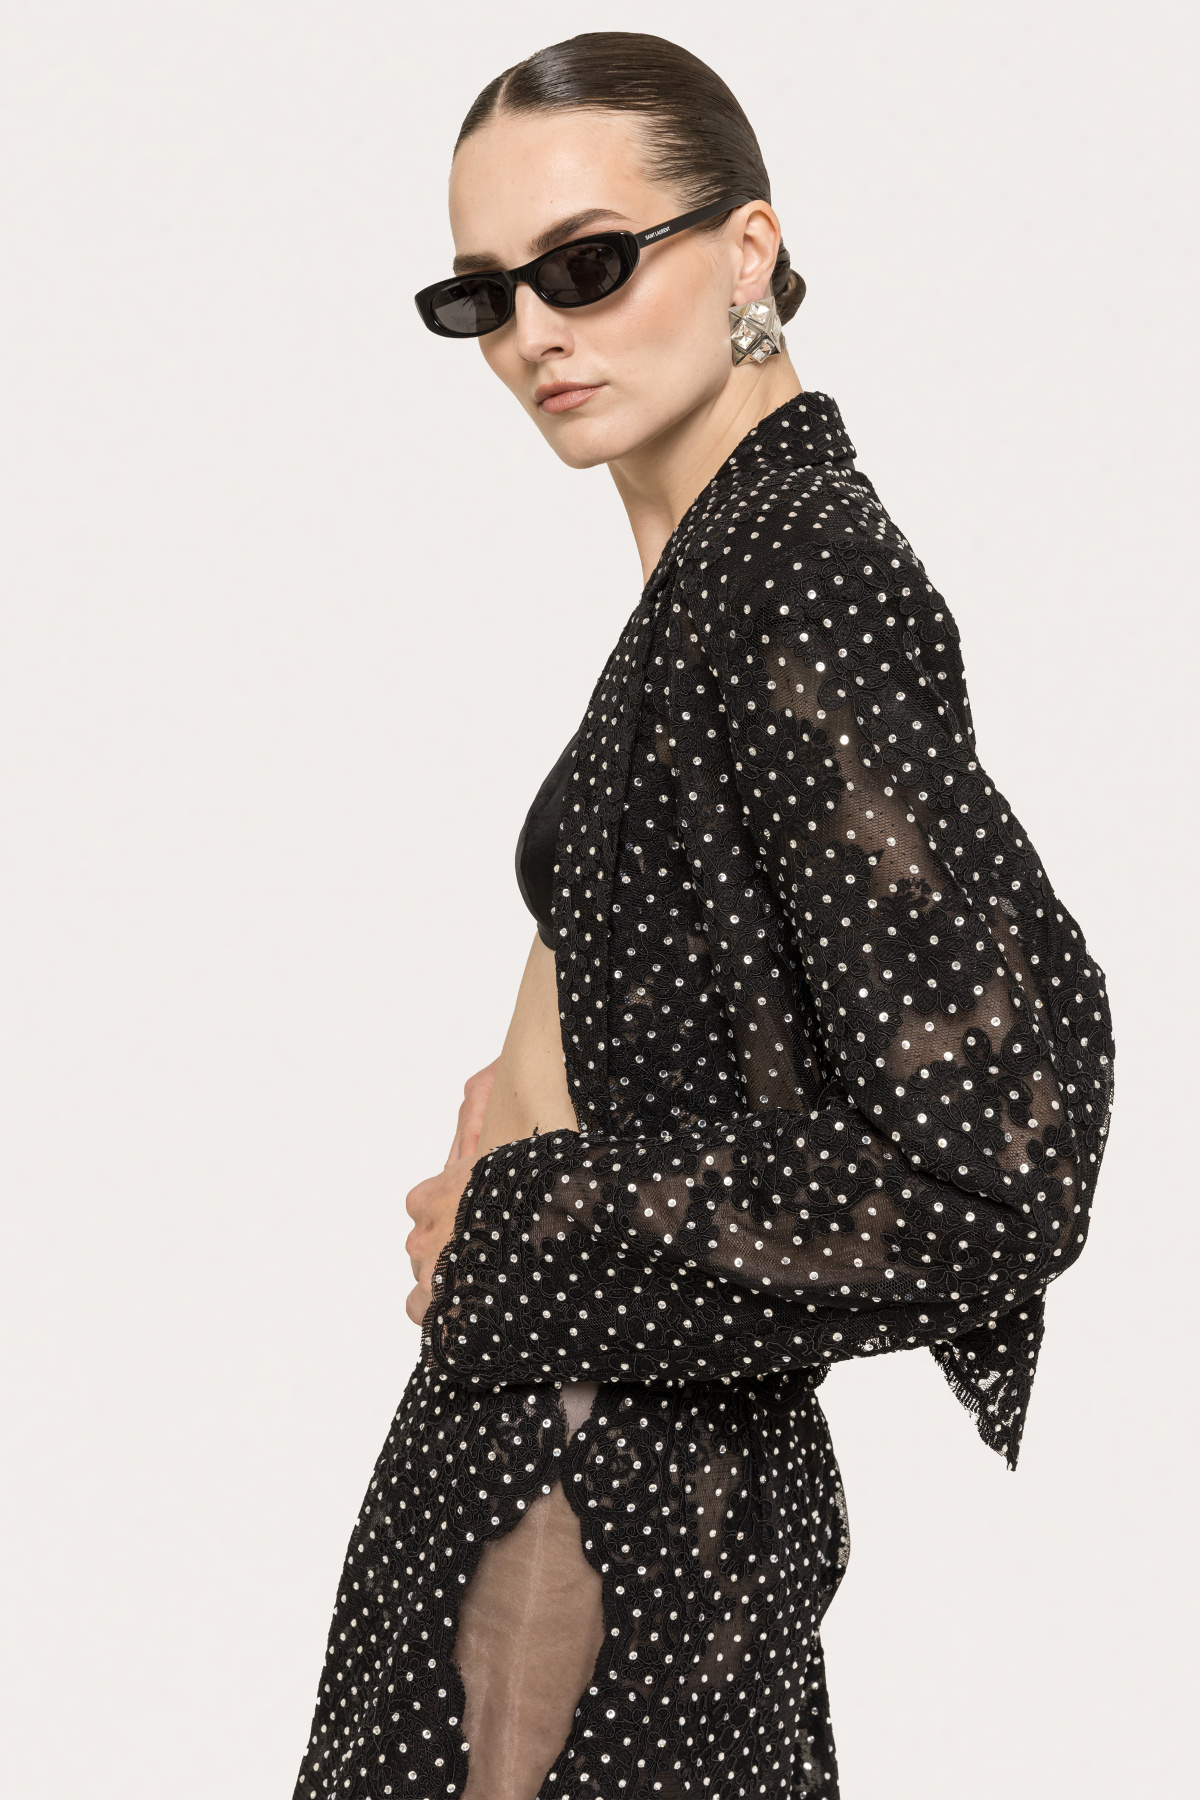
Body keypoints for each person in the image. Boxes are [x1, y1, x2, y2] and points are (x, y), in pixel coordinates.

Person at [293, 31, 1114, 1800]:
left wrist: (524, 1218)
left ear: (748, 249)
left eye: (588, 264)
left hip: (602, 1492)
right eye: (482, 295)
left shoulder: (798, 571)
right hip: (558, 1461)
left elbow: (1001, 1167)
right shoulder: (718, 567)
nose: (533, 333)